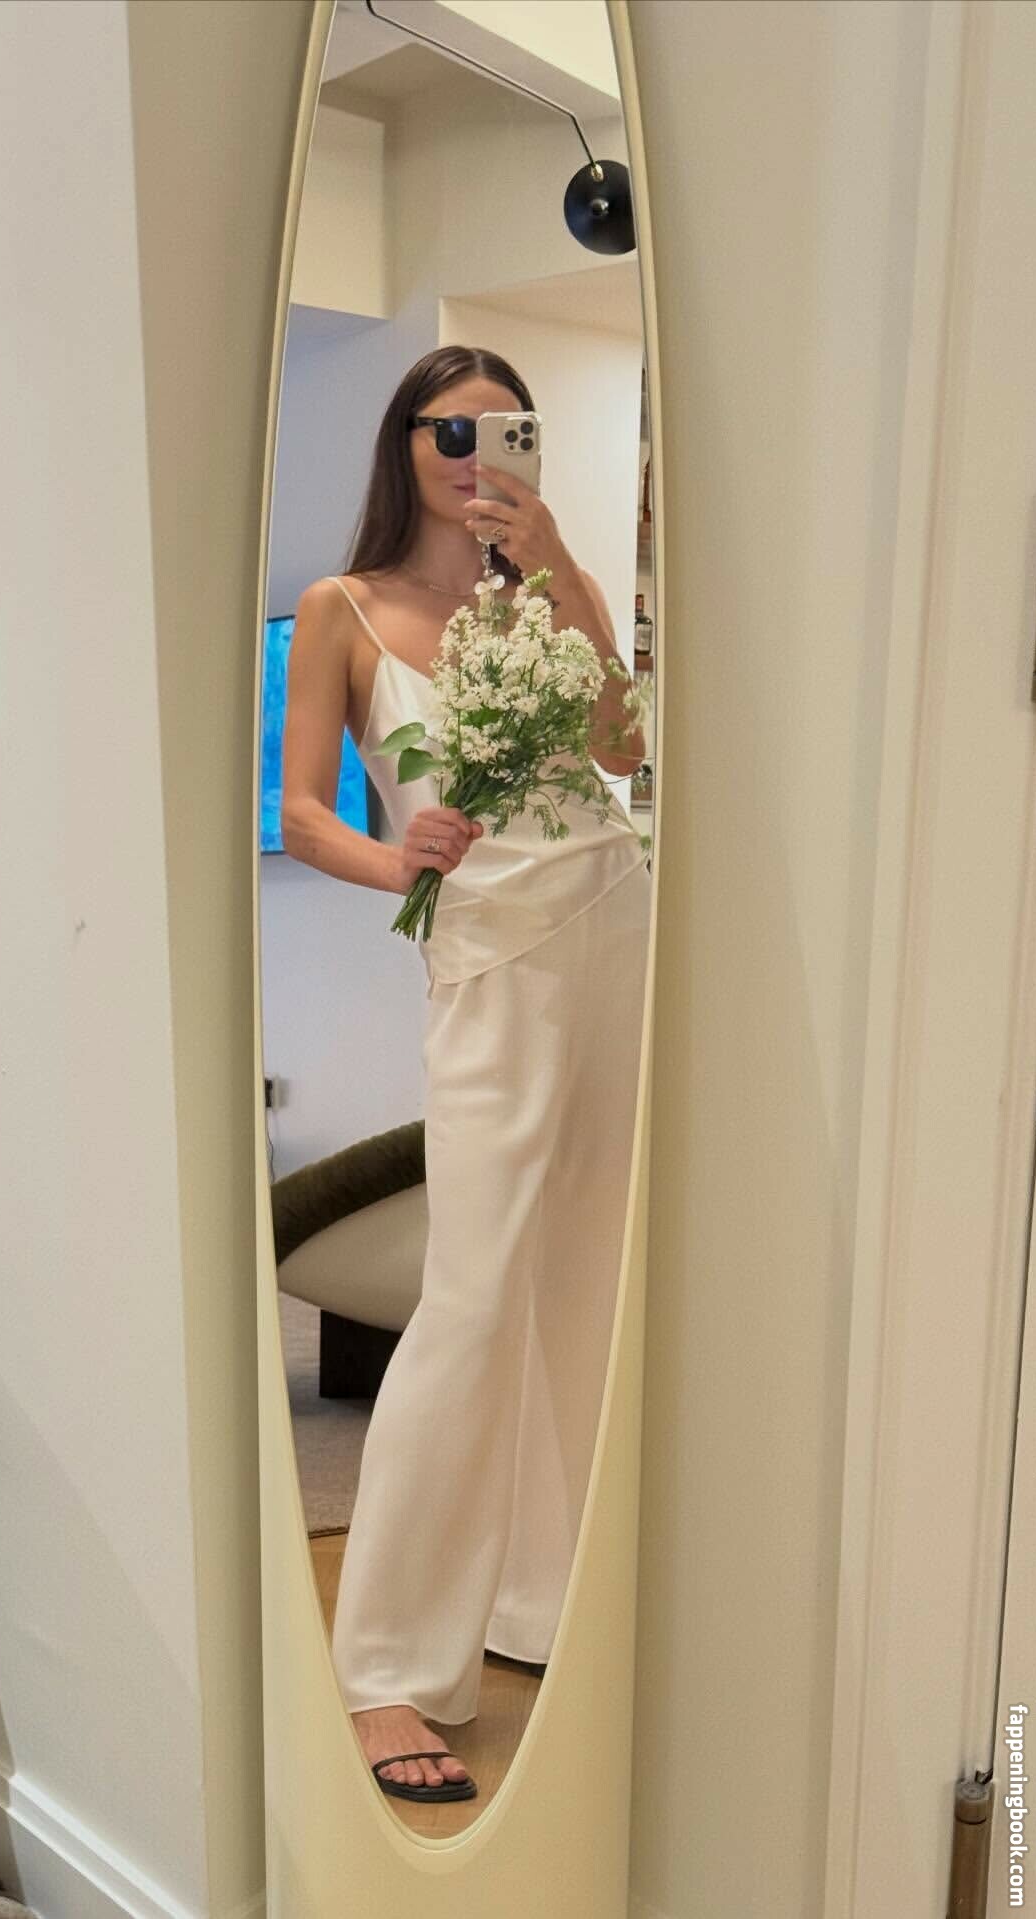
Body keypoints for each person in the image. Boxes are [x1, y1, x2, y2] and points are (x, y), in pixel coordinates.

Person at [280, 345, 651, 1804]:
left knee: (592, 1275)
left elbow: (622, 746)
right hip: (488, 953)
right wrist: (400, 859)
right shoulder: (342, 608)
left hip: (612, 917)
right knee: (477, 1292)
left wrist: (559, 565)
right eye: (451, 429)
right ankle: (388, 1665)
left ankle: (543, 1606)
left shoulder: (543, 592)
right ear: (406, 442)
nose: (475, 454)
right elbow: (304, 812)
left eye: (505, 431)